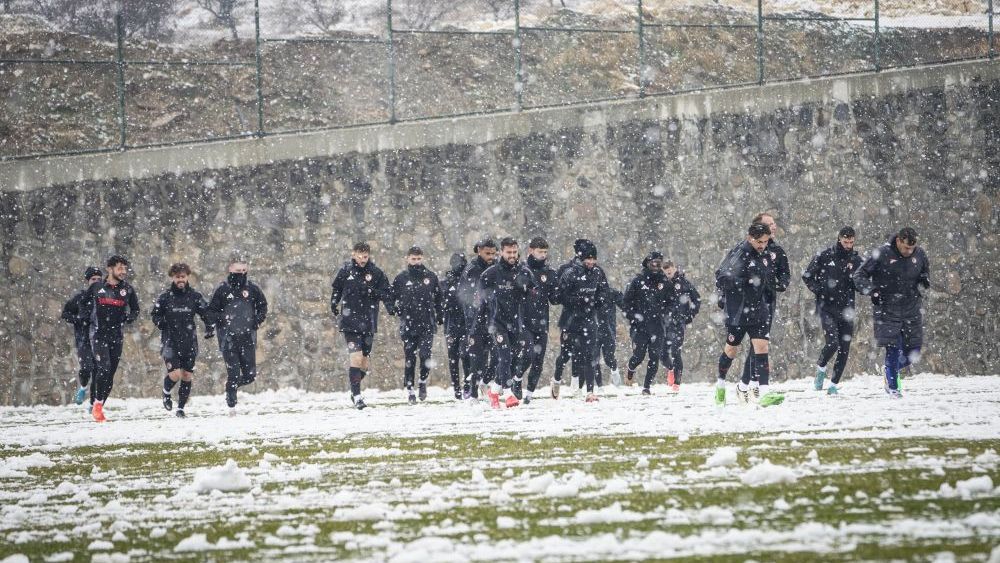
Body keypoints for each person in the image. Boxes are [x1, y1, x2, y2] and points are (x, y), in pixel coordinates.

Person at [852, 227, 930, 398]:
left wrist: (924, 281)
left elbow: (925, 274)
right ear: (898, 241)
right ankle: (893, 388)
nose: (909, 252)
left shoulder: (920, 254)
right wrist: (872, 291)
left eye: (912, 248)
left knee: (913, 351)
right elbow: (859, 275)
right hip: (888, 309)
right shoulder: (882, 254)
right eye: (906, 248)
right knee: (893, 349)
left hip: (911, 309)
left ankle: (890, 369)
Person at [714, 224, 783, 407]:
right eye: (759, 241)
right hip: (739, 310)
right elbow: (721, 277)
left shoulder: (766, 254)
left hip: (759, 309)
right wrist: (744, 282)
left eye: (765, 242)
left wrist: (772, 286)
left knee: (761, 348)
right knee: (731, 350)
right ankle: (720, 385)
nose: (762, 245)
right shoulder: (739, 253)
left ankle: (765, 393)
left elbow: (767, 277)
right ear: (750, 238)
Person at [330, 242, 393, 410]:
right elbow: (336, 288)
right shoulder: (346, 271)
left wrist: (375, 294)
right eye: (360, 255)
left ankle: (354, 386)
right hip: (349, 321)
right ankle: (357, 396)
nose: (363, 259)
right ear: (353, 255)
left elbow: (387, 293)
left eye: (365, 256)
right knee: (356, 358)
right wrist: (334, 302)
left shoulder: (376, 273)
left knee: (364, 363)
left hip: (368, 321)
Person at [77, 255, 140, 422]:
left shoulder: (128, 289)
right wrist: (85, 318)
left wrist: (129, 317)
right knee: (103, 369)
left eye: (125, 268)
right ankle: (97, 407)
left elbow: (135, 309)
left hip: (116, 336)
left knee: (110, 375)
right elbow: (83, 304)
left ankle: (98, 404)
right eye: (119, 268)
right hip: (98, 334)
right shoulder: (97, 287)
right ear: (110, 269)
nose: (123, 271)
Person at [802, 227, 862, 395]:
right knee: (833, 343)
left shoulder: (856, 260)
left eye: (851, 242)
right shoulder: (825, 255)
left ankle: (834, 385)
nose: (848, 245)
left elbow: (863, 281)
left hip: (847, 308)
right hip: (827, 307)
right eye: (845, 242)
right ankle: (821, 367)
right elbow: (807, 276)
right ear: (839, 239)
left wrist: (866, 288)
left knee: (844, 347)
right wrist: (820, 290)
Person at [151, 263, 213, 418]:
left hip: (189, 341)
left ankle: (180, 409)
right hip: (171, 341)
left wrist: (210, 327)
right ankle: (166, 393)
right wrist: (161, 322)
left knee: (186, 375)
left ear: (187, 277)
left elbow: (206, 313)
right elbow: (155, 314)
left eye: (183, 277)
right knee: (176, 374)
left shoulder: (194, 296)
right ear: (173, 277)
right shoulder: (165, 297)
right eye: (177, 277)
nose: (180, 279)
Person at [479, 237, 536, 409]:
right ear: (501, 252)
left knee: (512, 357)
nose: (511, 255)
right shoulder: (491, 273)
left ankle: (494, 390)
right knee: (504, 357)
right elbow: (482, 293)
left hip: (516, 322)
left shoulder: (525, 272)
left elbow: (534, 293)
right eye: (508, 252)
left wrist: (525, 289)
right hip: (497, 322)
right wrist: (488, 304)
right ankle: (509, 393)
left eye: (514, 252)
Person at [739, 213, 790, 397]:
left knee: (760, 344)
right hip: (748, 303)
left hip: (768, 302)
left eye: (774, 223)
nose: (773, 226)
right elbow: (730, 273)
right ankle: (748, 384)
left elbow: (785, 273)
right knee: (755, 344)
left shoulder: (777, 250)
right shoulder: (746, 250)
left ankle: (750, 383)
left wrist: (780, 284)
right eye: (768, 224)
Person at [208, 257, 267, 413]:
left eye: (243, 271)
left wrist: (258, 320)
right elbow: (211, 311)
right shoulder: (222, 289)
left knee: (250, 376)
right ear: (230, 270)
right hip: (228, 338)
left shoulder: (252, 289)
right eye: (237, 271)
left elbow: (263, 306)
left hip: (247, 337)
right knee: (233, 373)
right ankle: (231, 401)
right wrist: (221, 319)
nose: (241, 274)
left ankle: (231, 386)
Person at [390, 246, 443, 404]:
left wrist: (440, 315)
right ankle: (410, 389)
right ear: (407, 259)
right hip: (408, 324)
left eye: (419, 259)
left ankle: (422, 382)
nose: (416, 262)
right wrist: (396, 309)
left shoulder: (431, 277)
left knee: (426, 355)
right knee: (409, 359)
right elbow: (391, 297)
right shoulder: (401, 278)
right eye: (413, 259)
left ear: (423, 259)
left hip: (427, 323)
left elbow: (439, 298)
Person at [557, 240, 607, 402]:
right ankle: (557, 379)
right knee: (567, 355)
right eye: (588, 258)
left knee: (590, 355)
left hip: (589, 319)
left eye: (594, 259)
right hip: (571, 320)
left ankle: (589, 392)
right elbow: (560, 297)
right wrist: (579, 300)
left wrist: (597, 301)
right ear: (581, 258)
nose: (591, 262)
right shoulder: (570, 273)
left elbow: (602, 292)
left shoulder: (598, 273)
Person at [623, 252, 671, 395]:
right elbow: (626, 302)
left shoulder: (664, 282)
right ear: (647, 264)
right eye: (653, 263)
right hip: (640, 326)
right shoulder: (638, 281)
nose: (656, 266)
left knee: (654, 356)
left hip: (657, 326)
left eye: (658, 263)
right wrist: (634, 317)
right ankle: (631, 368)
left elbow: (672, 301)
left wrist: (666, 313)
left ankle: (646, 387)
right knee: (638, 355)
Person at [517, 237, 559, 404]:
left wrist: (561, 289)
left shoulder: (549, 273)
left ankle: (529, 395)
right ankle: (517, 377)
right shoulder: (521, 269)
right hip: (523, 321)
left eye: (545, 252)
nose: (543, 255)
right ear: (530, 251)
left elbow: (555, 299)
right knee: (527, 355)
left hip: (542, 322)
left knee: (538, 361)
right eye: (540, 251)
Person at [457, 238, 498, 402]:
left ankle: (485, 381)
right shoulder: (472, 270)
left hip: (494, 320)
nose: (491, 257)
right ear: (479, 251)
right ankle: (473, 393)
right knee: (477, 359)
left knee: (497, 356)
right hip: (476, 321)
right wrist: (472, 319)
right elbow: (466, 296)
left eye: (494, 253)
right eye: (488, 253)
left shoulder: (496, 268)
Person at [62, 266, 104, 407]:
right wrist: (79, 320)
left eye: (99, 279)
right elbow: (65, 314)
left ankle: (93, 405)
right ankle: (83, 387)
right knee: (86, 368)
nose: (97, 281)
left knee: (98, 373)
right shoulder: (80, 298)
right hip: (84, 340)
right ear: (88, 281)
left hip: (99, 340)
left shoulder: (105, 297)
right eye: (93, 279)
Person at [661, 260, 700, 392]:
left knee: (676, 351)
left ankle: (677, 383)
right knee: (662, 354)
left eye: (670, 271)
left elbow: (696, 298)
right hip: (663, 323)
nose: (668, 274)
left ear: (674, 269)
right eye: (665, 272)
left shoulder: (683, 283)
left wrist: (690, 315)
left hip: (679, 322)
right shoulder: (661, 283)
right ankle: (670, 369)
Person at [441, 253, 470, 400]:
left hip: (465, 325)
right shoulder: (445, 282)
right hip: (451, 326)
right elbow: (441, 303)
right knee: (453, 358)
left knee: (465, 356)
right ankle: (457, 389)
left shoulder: (468, 281)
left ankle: (467, 386)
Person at [595, 285, 624, 388]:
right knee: (594, 359)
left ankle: (616, 377)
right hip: (592, 330)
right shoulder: (588, 292)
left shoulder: (611, 292)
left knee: (609, 358)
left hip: (608, 330)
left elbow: (624, 304)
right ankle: (599, 387)